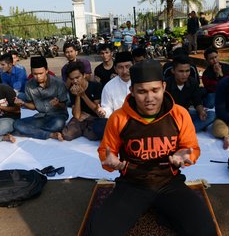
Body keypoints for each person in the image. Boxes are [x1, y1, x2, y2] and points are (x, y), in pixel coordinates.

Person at [89, 59, 215, 236]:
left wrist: (185, 155)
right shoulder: (118, 118)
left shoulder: (179, 114)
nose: (149, 98)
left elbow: (191, 147)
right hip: (132, 184)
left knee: (205, 231)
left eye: (155, 90)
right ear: (132, 91)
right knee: (98, 232)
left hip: (169, 182)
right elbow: (106, 153)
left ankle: (166, 212)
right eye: (141, 92)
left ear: (163, 87)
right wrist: (111, 163)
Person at [14, 56, 69, 141]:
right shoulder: (29, 85)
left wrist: (58, 104)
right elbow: (33, 107)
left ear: (46, 71)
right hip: (41, 117)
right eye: (35, 74)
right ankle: (50, 134)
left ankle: (32, 131)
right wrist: (23, 103)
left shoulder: (58, 83)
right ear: (31, 73)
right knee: (17, 124)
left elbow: (64, 106)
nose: (38, 76)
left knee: (58, 124)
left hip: (57, 116)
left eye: (41, 73)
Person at [165, 56, 214, 132]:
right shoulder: (165, 85)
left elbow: (197, 101)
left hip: (186, 114)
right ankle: (184, 131)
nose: (184, 74)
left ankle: (184, 132)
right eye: (181, 71)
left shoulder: (193, 82)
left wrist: (201, 111)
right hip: (170, 117)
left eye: (187, 71)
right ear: (173, 71)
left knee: (211, 115)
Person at [60, 62, 105, 141]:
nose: (75, 81)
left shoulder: (96, 86)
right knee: (67, 135)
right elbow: (76, 115)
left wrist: (83, 95)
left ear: (84, 75)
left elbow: (97, 110)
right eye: (72, 79)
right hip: (80, 118)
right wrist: (77, 96)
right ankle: (83, 129)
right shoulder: (72, 89)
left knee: (94, 136)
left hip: (94, 118)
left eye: (77, 77)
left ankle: (83, 130)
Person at [97, 51, 133, 119]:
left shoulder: (141, 83)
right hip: (119, 122)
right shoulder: (109, 87)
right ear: (115, 69)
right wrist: (104, 112)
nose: (124, 71)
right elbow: (107, 108)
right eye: (120, 67)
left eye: (128, 66)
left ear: (133, 66)